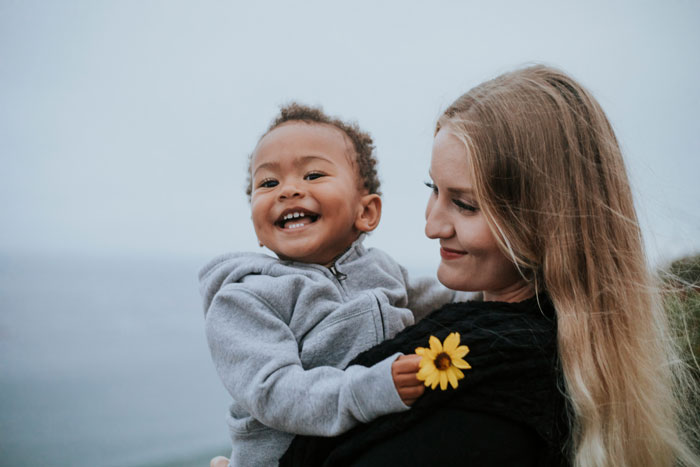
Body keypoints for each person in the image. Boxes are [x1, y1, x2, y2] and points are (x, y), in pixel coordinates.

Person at [281, 66, 700, 466]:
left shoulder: (487, 406)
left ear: (545, 221)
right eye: (434, 189)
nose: (431, 225)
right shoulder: (550, 358)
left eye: (464, 204)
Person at [200, 103, 460, 467]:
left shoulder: (383, 269)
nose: (287, 190)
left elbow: (455, 302)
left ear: (365, 212)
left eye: (313, 175)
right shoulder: (244, 299)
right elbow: (273, 391)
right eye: (269, 182)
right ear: (256, 226)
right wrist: (368, 391)